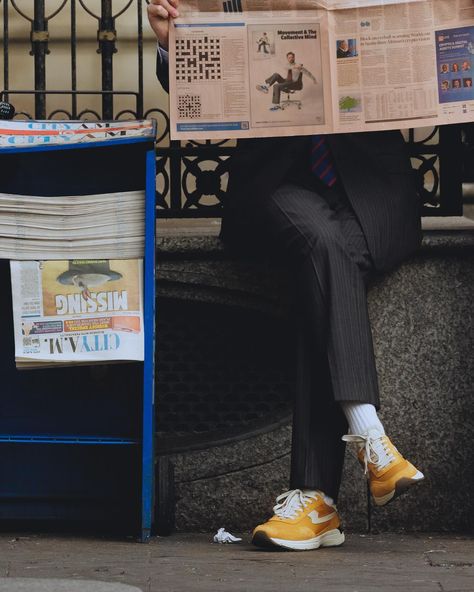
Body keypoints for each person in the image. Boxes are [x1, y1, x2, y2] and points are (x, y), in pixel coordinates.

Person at [148, 0, 424, 551]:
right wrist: (168, 42)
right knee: (320, 245)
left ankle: (317, 501)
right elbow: (199, 82)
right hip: (279, 186)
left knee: (321, 274)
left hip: (369, 191)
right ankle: (369, 437)